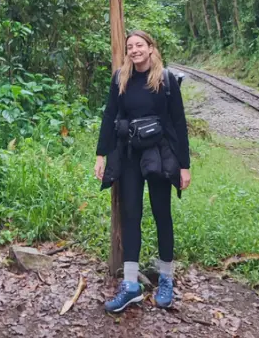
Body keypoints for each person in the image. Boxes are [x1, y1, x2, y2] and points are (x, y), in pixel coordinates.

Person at [94, 30, 191, 313]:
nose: (134, 50)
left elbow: (179, 123)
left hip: (159, 154)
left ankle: (166, 279)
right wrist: (101, 154)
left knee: (162, 214)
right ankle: (131, 285)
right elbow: (110, 115)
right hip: (129, 155)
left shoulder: (165, 80)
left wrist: (184, 166)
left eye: (139, 45)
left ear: (151, 48)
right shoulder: (120, 79)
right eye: (130, 47)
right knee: (131, 215)